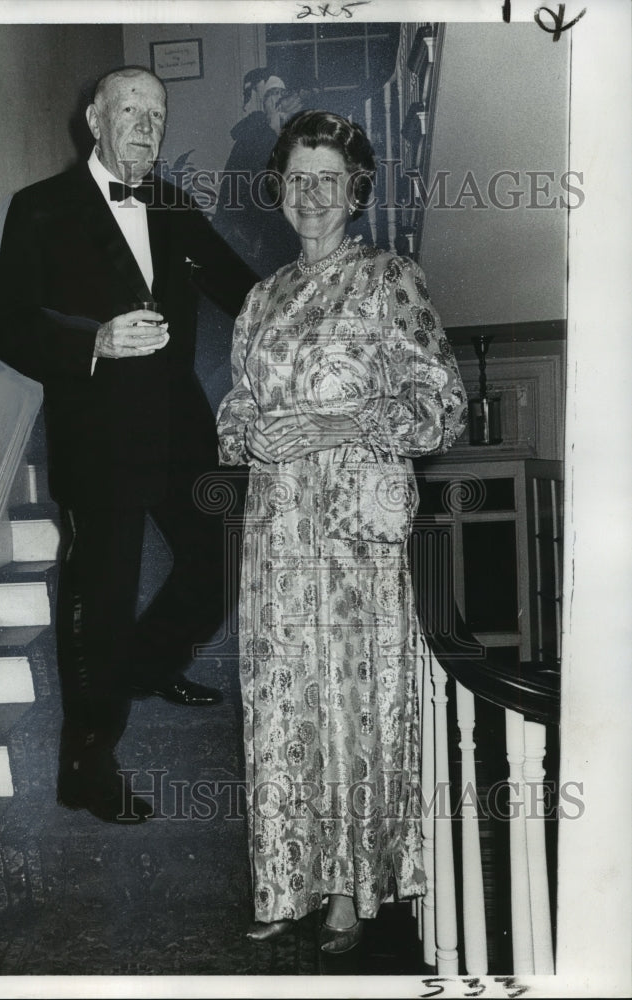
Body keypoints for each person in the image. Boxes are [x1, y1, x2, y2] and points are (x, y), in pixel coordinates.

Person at [216, 111, 467, 953]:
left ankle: (349, 889)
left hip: (353, 529)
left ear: (355, 190)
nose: (310, 196)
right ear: (279, 190)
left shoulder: (391, 279)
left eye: (327, 179)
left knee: (346, 703)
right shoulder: (261, 297)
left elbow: (440, 407)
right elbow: (234, 410)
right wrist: (249, 433)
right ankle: (284, 877)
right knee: (282, 701)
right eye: (296, 179)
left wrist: (335, 427)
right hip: (276, 530)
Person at [0, 66, 257, 826]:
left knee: (227, 549)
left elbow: (246, 289)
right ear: (94, 120)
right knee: (97, 600)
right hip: (98, 434)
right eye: (129, 106)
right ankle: (86, 764)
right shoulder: (41, 208)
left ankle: (149, 661)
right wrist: (92, 341)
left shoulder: (170, 203)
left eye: (157, 110)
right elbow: (3, 325)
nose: (145, 121)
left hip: (180, 425)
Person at [214, 69, 298, 277]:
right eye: (272, 94)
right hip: (252, 239)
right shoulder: (256, 136)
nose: (279, 100)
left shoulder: (271, 132)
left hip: (262, 233)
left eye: (282, 94)